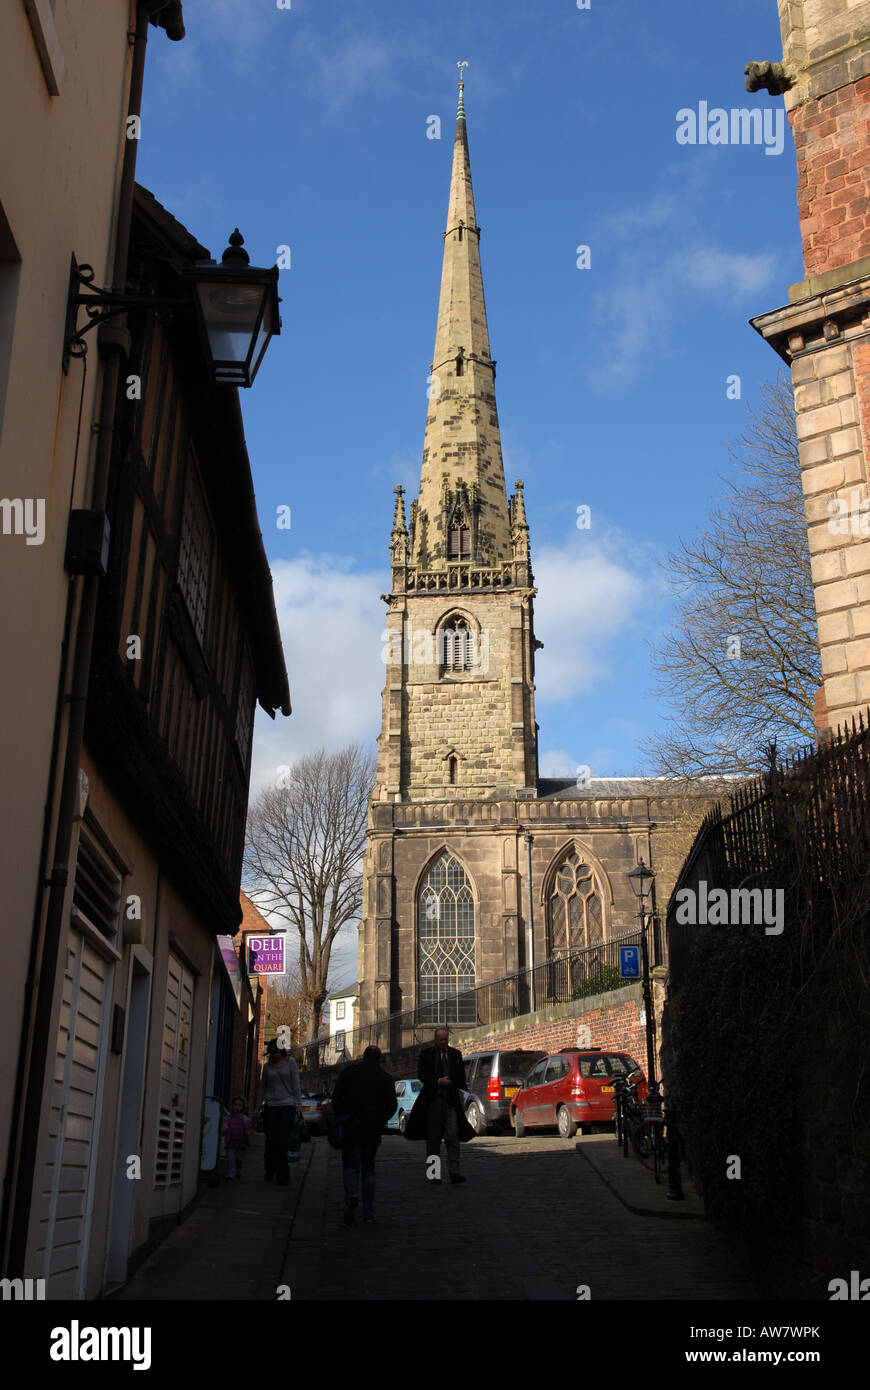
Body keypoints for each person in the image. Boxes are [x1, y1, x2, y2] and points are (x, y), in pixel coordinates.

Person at [330, 1045, 398, 1225]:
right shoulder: (385, 1078)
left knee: (351, 1166)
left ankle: (352, 1194)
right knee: (369, 1169)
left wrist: (347, 1117)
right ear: (379, 1059)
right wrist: (379, 1120)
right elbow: (392, 1106)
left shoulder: (349, 1073)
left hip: (352, 1126)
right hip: (372, 1129)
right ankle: (369, 1213)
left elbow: (336, 1099)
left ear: (362, 1056)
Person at [411, 1025, 474, 1184]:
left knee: (453, 1136)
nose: (443, 1042)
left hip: (450, 1101)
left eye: (445, 1040)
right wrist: (438, 1081)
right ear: (435, 1039)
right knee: (433, 1139)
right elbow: (422, 1074)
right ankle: (434, 1174)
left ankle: (455, 1172)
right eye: (440, 1040)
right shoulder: (427, 1054)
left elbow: (460, 1078)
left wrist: (461, 1094)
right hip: (433, 1101)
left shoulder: (455, 1054)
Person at [256, 1038, 303, 1186]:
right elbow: (263, 1087)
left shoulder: (290, 1063)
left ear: (281, 1051)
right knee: (271, 1140)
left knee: (282, 1140)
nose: (274, 1055)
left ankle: (283, 1174)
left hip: (287, 1105)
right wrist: (258, 1106)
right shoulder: (267, 1067)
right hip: (271, 1105)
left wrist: (298, 1103)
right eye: (272, 1053)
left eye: (276, 1052)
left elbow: (296, 1083)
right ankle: (269, 1170)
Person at [223, 1096, 251, 1180]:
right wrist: (224, 1128)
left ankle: (238, 1171)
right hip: (230, 1141)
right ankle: (231, 1173)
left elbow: (248, 1127)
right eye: (235, 1104)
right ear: (231, 1105)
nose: (237, 1107)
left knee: (239, 1159)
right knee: (231, 1158)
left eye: (239, 1105)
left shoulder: (244, 1118)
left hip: (240, 1141)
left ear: (242, 1107)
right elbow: (224, 1126)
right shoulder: (228, 1118)